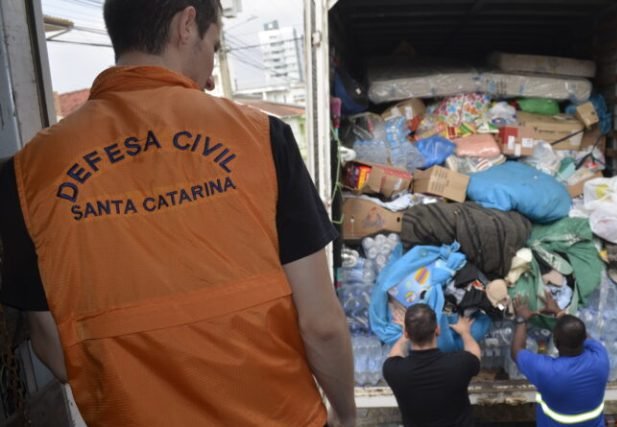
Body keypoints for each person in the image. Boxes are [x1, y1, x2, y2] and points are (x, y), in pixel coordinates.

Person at [0, 1, 356, 425]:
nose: (208, 78)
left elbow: (52, 349)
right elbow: (321, 323)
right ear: (186, 25)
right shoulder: (260, 137)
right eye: (215, 46)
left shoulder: (25, 175)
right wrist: (345, 416)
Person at [511, 293, 610, 427]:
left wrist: (521, 319)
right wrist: (558, 312)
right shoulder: (601, 358)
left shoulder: (548, 371)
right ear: (583, 340)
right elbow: (582, 334)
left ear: (556, 343)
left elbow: (517, 351)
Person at [383, 304, 481, 427]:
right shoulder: (459, 364)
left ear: (407, 334)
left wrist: (405, 335)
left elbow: (394, 354)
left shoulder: (394, 371)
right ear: (438, 330)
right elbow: (475, 354)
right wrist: (465, 333)